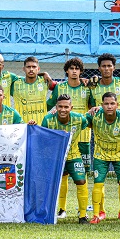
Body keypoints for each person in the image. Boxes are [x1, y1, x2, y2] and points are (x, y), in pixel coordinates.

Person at [87, 53, 120, 218]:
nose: (106, 69)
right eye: (103, 66)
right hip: (101, 136)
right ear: (99, 68)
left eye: (109, 66)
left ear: (114, 67)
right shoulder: (92, 86)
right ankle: (101, 211)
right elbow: (90, 106)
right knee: (100, 177)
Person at [87, 91, 120, 225]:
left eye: (112, 103)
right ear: (101, 105)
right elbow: (77, 119)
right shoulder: (95, 116)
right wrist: (54, 113)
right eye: (106, 104)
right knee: (98, 183)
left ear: (117, 105)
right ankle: (96, 215)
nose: (109, 106)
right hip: (100, 155)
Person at [42, 94, 89, 224]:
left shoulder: (79, 119)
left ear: (71, 107)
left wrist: (95, 109)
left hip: (74, 156)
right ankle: (60, 210)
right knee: (54, 183)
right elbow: (42, 138)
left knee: (81, 181)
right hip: (55, 158)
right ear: (56, 107)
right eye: (60, 106)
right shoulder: (48, 119)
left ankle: (83, 215)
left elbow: (90, 121)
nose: (63, 110)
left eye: (66, 107)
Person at [47, 57, 92, 175]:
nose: (74, 71)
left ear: (81, 71)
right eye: (71, 68)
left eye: (77, 69)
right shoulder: (59, 87)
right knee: (63, 171)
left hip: (82, 133)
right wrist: (53, 112)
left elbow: (93, 107)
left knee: (83, 172)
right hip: (63, 133)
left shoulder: (87, 87)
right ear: (67, 71)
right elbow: (49, 105)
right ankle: (62, 194)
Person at [11, 56, 53, 124]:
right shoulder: (15, 83)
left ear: (38, 69)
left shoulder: (45, 81)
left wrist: (49, 106)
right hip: (22, 126)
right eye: (28, 67)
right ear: (23, 69)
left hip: (41, 125)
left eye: (34, 67)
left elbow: (58, 90)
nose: (31, 69)